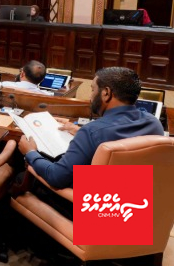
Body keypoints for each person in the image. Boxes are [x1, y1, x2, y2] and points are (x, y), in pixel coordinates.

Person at [17, 67, 163, 218]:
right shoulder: (154, 123)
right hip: (135, 209)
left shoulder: (92, 132)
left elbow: (56, 177)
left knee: (21, 177)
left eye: (93, 89)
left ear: (106, 93)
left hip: (95, 213)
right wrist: (80, 131)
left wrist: (31, 152)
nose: (90, 96)